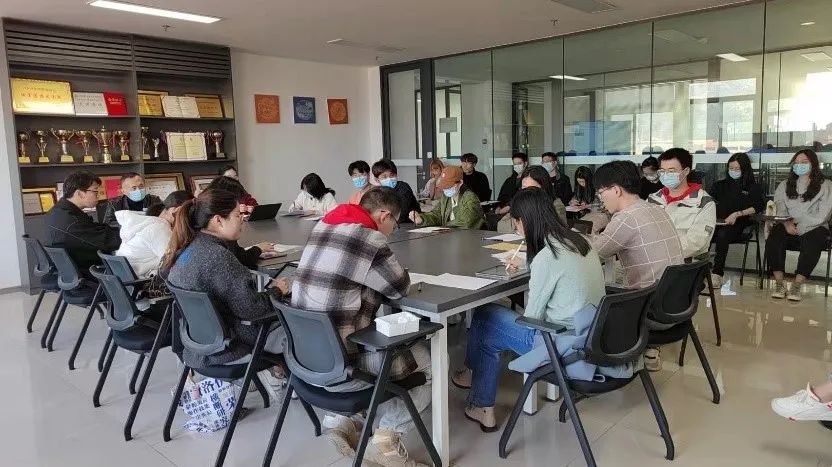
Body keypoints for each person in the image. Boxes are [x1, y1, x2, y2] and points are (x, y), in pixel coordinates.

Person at [292, 187, 431, 467]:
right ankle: (385, 441)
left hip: (305, 360)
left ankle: (343, 422)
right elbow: (399, 287)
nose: (392, 231)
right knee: (430, 362)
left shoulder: (324, 226)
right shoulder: (369, 238)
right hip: (343, 368)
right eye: (394, 224)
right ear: (384, 215)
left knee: (370, 337)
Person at [452, 188, 607, 431]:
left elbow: (532, 318)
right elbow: (562, 271)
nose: (516, 229)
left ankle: (482, 403)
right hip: (592, 337)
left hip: (560, 344)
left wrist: (535, 271)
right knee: (489, 322)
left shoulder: (547, 257)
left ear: (523, 220)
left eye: (515, 223)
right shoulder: (580, 241)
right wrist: (530, 265)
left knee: (484, 317)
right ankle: (474, 381)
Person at [163, 189, 289, 371]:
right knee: (297, 330)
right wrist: (278, 291)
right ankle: (287, 379)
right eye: (238, 215)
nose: (242, 220)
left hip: (201, 341)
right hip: (231, 344)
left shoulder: (188, 248)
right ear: (218, 221)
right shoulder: (218, 256)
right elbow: (252, 310)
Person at [590, 160, 683, 289]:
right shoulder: (656, 208)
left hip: (648, 296)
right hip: (675, 291)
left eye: (600, 193)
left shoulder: (625, 218)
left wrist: (590, 229)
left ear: (616, 190)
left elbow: (592, 255)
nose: (601, 199)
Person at [765, 149, 832, 301]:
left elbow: (823, 214)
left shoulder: (826, 185)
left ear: (813, 164)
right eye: (796, 163)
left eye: (804, 162)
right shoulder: (784, 185)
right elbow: (780, 206)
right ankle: (779, 283)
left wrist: (800, 226)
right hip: (789, 226)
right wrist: (787, 223)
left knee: (814, 240)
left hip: (815, 227)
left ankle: (797, 285)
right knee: (774, 236)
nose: (799, 165)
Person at [46, 171, 121, 276]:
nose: (98, 195)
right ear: (80, 194)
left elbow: (93, 228)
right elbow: (109, 241)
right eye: (95, 191)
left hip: (73, 269)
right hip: (88, 271)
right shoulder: (72, 222)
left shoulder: (59, 211)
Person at [648, 148, 716, 260]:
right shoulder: (653, 199)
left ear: (686, 171)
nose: (665, 175)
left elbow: (697, 241)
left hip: (687, 265)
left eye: (671, 171)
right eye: (662, 171)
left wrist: (661, 252)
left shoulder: (704, 202)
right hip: (652, 261)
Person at [708, 153, 765, 288]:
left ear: (745, 169)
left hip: (740, 223)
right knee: (705, 231)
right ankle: (698, 270)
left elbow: (758, 206)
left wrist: (737, 214)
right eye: (731, 168)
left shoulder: (753, 187)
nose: (733, 171)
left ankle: (717, 273)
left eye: (737, 169)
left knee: (723, 234)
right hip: (718, 221)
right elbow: (708, 202)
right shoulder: (719, 185)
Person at [114, 190, 193, 278]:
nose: (187, 220)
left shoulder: (151, 223)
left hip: (128, 278)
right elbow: (173, 263)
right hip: (141, 281)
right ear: (175, 210)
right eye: (187, 215)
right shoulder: (159, 228)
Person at [409, 166, 485, 229]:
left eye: (449, 186)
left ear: (460, 182)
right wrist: (422, 219)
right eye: (444, 186)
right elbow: (437, 214)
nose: (446, 189)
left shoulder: (470, 197)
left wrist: (444, 226)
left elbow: (466, 222)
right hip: (451, 237)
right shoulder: (446, 197)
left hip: (469, 238)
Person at [497, 165, 566, 233]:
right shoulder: (520, 203)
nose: (527, 192)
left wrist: (520, 223)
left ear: (544, 188)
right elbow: (501, 225)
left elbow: (555, 229)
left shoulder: (556, 204)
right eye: (524, 188)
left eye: (532, 188)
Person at [372, 159, 420, 224]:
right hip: (391, 225)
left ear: (396, 175)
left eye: (392, 175)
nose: (389, 179)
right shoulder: (379, 192)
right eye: (384, 177)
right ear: (377, 180)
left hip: (410, 224)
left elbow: (402, 213)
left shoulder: (403, 187)